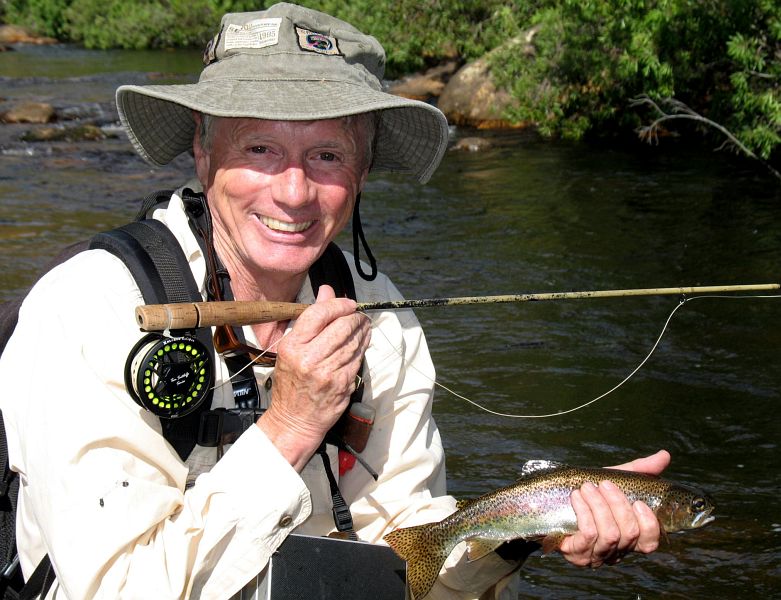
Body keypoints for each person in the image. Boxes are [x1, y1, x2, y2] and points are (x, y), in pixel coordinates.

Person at [0, 3, 670, 599]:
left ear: (364, 169)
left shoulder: (381, 313)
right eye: (259, 148)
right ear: (202, 152)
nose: (293, 192)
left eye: (325, 155)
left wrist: (530, 528)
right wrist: (289, 429)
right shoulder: (86, 306)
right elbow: (114, 589)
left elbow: (411, 560)